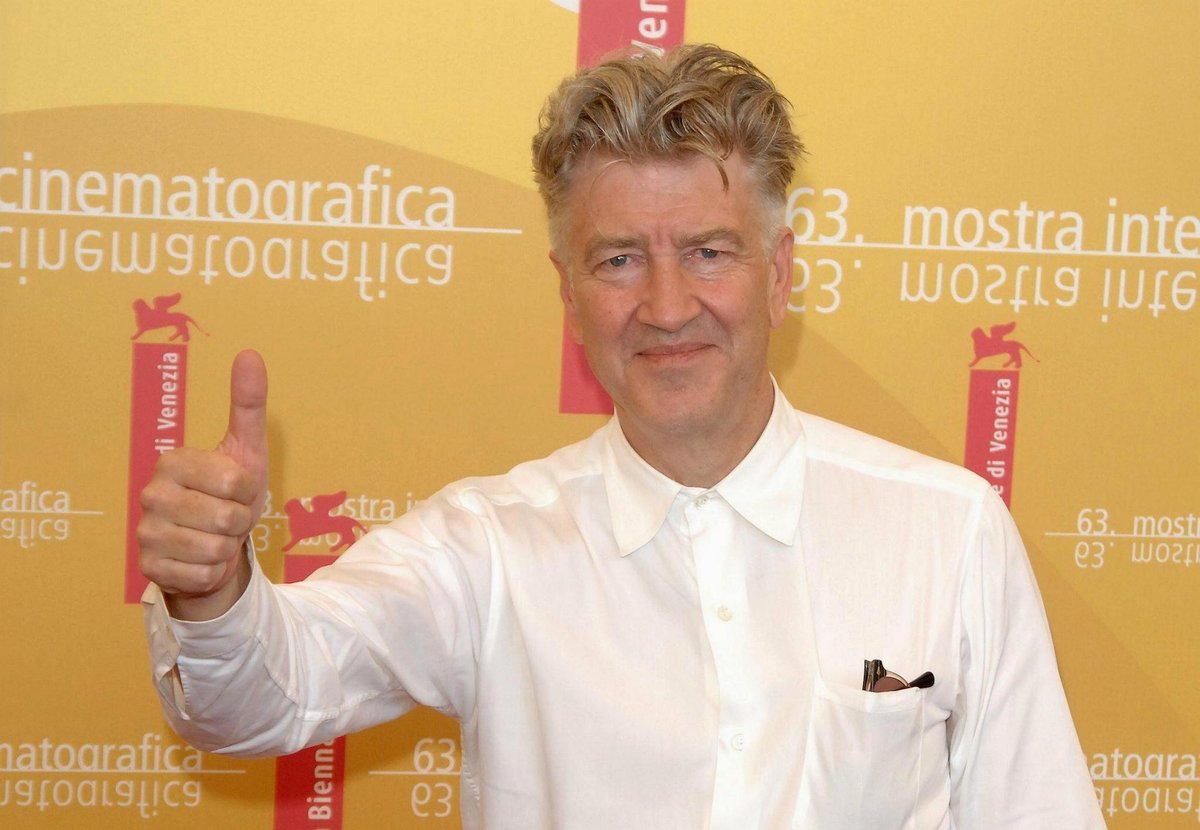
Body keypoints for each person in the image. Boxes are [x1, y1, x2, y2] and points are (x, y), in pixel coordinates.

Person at [138, 44, 1105, 829]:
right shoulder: (487, 549)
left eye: (708, 252)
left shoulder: (948, 529)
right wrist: (212, 592)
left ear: (780, 276)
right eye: (619, 261)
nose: (667, 305)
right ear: (568, 294)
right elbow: (264, 697)